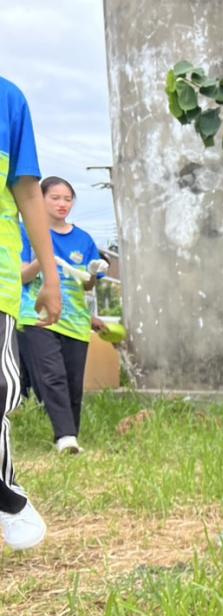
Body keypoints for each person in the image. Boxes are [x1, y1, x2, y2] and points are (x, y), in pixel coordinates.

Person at [0, 76, 61, 551]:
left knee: (3, 388)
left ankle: (5, 492)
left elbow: (26, 191)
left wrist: (51, 277)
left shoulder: (7, 99)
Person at [17, 176, 109, 453]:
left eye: (67, 199)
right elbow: (20, 276)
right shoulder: (25, 233)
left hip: (75, 321)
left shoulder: (83, 239)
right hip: (37, 316)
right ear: (40, 199)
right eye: (55, 198)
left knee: (72, 382)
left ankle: (70, 437)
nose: (62, 204)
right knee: (51, 376)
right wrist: (44, 259)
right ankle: (65, 436)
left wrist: (92, 274)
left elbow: (88, 285)